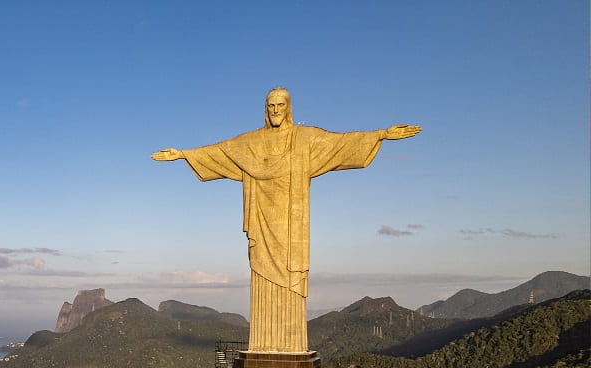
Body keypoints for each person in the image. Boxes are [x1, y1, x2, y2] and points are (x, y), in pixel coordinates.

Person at [152, 89, 420, 352]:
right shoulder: (251, 143)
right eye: (271, 105)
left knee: (290, 279)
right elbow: (221, 151)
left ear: (289, 107)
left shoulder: (305, 139)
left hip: (292, 227)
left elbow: (340, 142)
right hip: (262, 221)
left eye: (281, 105)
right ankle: (264, 344)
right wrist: (184, 154)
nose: (276, 110)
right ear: (265, 109)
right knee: (261, 275)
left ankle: (290, 345)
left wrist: (382, 134)